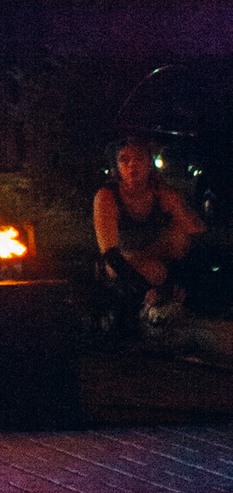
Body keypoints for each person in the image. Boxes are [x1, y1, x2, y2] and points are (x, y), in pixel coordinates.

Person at [92, 139, 233, 366]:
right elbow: (110, 254)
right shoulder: (107, 197)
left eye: (138, 159)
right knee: (151, 270)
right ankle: (135, 319)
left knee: (179, 238)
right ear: (116, 165)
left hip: (160, 263)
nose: (132, 166)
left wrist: (185, 280)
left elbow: (197, 235)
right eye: (124, 160)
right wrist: (145, 289)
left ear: (149, 163)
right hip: (126, 266)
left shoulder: (163, 194)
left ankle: (191, 308)